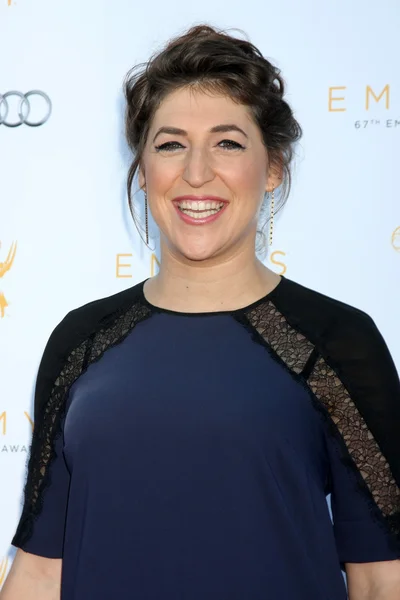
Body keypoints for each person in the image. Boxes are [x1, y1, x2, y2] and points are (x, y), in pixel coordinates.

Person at [1, 23, 400, 600]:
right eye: (170, 144)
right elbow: (40, 570)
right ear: (143, 171)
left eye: (228, 142)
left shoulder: (336, 339)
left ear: (274, 168)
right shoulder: (81, 340)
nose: (196, 173)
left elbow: (381, 577)